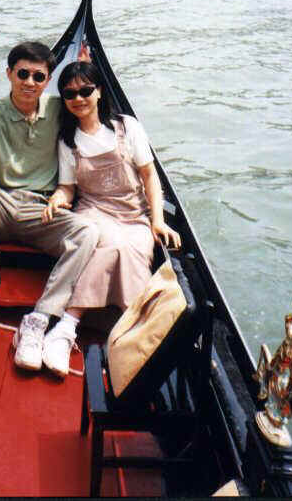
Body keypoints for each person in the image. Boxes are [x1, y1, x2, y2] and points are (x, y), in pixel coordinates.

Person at [0, 42, 99, 373]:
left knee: (87, 232)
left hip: (41, 211)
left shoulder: (59, 109)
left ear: (48, 81)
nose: (29, 82)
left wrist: (85, 70)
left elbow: (90, 107)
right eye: (22, 73)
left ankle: (40, 319)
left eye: (38, 76)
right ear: (9, 74)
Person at [39, 61, 181, 377]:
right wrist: (57, 199)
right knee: (110, 243)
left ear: (100, 91)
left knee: (132, 250)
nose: (78, 98)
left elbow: (149, 176)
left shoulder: (126, 127)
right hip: (93, 209)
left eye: (85, 91)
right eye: (70, 94)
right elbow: (67, 188)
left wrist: (157, 220)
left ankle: (121, 327)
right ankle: (66, 328)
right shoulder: (68, 140)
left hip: (134, 212)